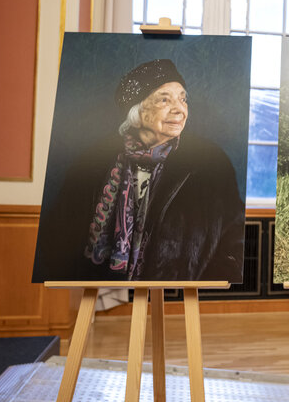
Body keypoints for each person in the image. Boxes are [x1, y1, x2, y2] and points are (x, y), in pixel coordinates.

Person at [33, 59, 244, 282]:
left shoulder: (210, 163)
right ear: (137, 112)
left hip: (178, 293)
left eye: (183, 99)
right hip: (104, 285)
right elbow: (60, 232)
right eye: (165, 99)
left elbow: (234, 236)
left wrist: (215, 279)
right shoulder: (95, 160)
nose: (179, 109)